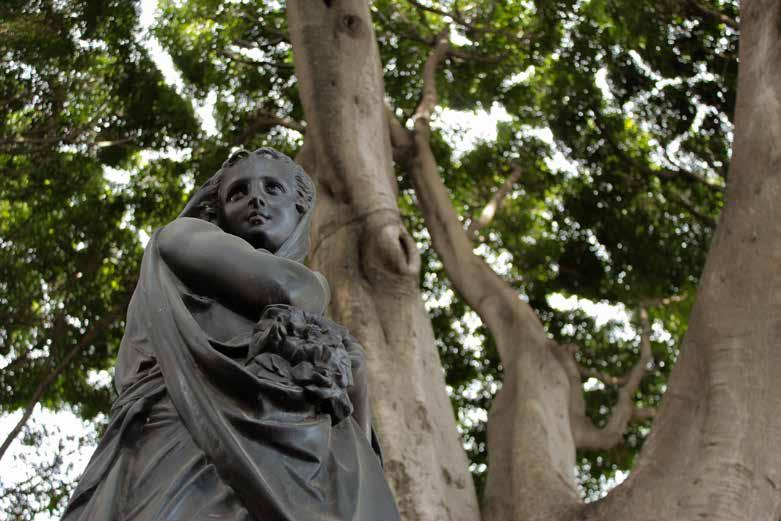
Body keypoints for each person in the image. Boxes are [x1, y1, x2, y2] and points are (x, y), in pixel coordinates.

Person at [62, 148, 400, 521]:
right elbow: (291, 288)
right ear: (215, 211)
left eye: (273, 188)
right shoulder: (181, 236)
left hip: (310, 476)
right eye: (238, 192)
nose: (256, 198)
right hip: (191, 447)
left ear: (301, 208)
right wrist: (317, 289)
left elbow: (354, 436)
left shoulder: (318, 331)